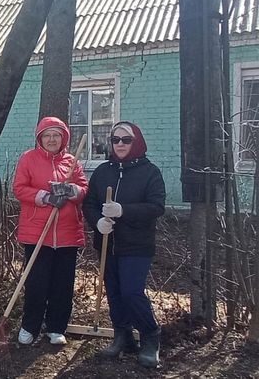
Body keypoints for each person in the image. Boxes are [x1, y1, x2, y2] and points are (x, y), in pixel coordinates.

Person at [82, 121, 165, 368]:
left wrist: (123, 211)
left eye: (125, 140)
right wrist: (97, 221)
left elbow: (156, 207)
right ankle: (123, 336)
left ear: (136, 142)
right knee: (115, 293)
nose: (119, 144)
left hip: (137, 245)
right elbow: (89, 203)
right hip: (107, 243)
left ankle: (150, 335)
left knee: (131, 292)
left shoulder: (150, 172)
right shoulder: (102, 171)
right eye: (115, 140)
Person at [12, 117, 88, 346]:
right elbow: (19, 188)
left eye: (56, 135)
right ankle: (30, 326)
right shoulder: (29, 159)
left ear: (63, 137)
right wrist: (45, 197)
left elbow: (84, 188)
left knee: (62, 284)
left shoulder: (72, 162)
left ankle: (56, 327)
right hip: (38, 233)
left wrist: (72, 190)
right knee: (36, 282)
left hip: (67, 233)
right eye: (47, 135)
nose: (52, 139)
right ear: (40, 139)